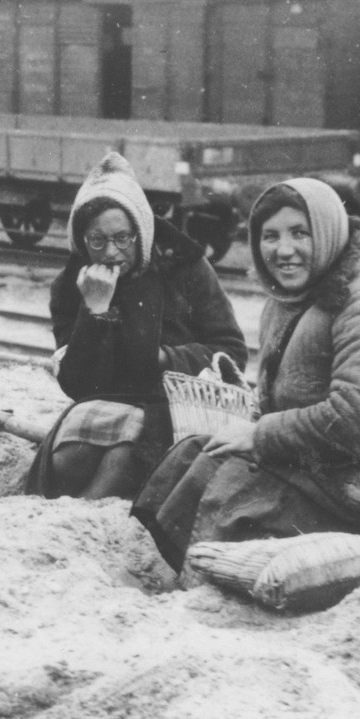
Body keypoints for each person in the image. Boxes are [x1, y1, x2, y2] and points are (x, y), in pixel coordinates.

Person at [132, 177, 360, 572]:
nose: (283, 250)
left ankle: (186, 576)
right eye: (270, 236)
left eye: (300, 233)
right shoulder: (294, 296)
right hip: (335, 467)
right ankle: (150, 561)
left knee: (229, 486)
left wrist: (259, 435)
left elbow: (352, 421)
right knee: (195, 452)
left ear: (329, 232)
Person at [27, 152, 247, 500]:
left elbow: (231, 351)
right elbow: (77, 385)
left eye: (123, 238)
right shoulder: (73, 283)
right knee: (69, 459)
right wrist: (95, 311)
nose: (112, 252)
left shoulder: (184, 266)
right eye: (97, 241)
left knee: (122, 458)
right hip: (109, 399)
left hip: (175, 405)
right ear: (81, 240)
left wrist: (165, 358)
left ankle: (87, 521)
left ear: (141, 233)